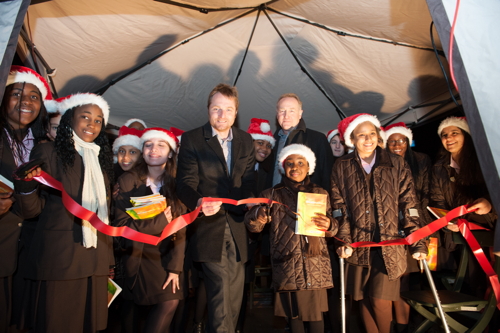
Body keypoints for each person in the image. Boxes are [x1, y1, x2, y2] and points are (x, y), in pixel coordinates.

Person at [14, 92, 114, 332]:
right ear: (70, 119)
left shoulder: (101, 160)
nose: (92, 124)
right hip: (60, 259)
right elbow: (32, 211)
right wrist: (26, 187)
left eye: (98, 120)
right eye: (86, 117)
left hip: (95, 261)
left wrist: (109, 262)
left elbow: (104, 214)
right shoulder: (48, 152)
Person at [331, 113, 427, 333]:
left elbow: (409, 204)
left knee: (379, 298)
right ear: (352, 139)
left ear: (378, 136)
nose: (368, 139)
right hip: (358, 244)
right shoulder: (341, 165)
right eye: (361, 135)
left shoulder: (396, 163)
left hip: (390, 244)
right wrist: (343, 240)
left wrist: (417, 242)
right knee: (363, 298)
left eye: (372, 134)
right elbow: (339, 208)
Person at [176, 83, 255, 333]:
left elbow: (249, 180)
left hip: (239, 226)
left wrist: (252, 198)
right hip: (209, 226)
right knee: (220, 290)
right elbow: (184, 183)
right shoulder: (192, 139)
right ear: (208, 110)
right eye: (216, 109)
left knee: (234, 294)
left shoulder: (246, 140)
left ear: (236, 112)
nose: (222, 115)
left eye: (228, 110)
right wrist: (199, 202)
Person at [245, 144, 337, 333]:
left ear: (309, 167)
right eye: (290, 163)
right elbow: (252, 226)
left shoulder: (320, 193)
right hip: (287, 263)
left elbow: (334, 228)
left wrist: (329, 225)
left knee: (316, 317)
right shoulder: (270, 194)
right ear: (283, 167)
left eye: (300, 163)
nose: (295, 167)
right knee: (294, 318)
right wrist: (258, 215)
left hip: (315, 264)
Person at [113, 127, 186, 333]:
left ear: (171, 152)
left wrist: (175, 269)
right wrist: (158, 222)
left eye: (161, 145)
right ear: (143, 150)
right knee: (135, 315)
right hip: (140, 256)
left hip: (167, 256)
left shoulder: (177, 183)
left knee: (171, 303)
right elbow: (121, 229)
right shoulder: (127, 181)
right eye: (148, 145)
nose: (154, 149)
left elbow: (180, 230)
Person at [0, 65, 51, 331]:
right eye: (17, 93)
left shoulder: (45, 146)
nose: (25, 101)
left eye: (34, 96)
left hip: (32, 249)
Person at [430, 116, 496, 296]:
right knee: (473, 278)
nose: (449, 138)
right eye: (444, 135)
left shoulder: (484, 160)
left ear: (466, 135)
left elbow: (496, 187)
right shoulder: (439, 167)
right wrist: (445, 219)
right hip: (459, 230)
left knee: (491, 274)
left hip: (487, 226)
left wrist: (489, 203)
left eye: (454, 133)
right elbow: (437, 199)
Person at [384, 122, 432, 333]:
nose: (396, 144)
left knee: (415, 281)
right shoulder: (383, 164)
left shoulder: (421, 161)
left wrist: (425, 230)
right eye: (392, 141)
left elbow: (428, 196)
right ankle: (400, 325)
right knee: (398, 281)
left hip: (417, 226)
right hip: (392, 229)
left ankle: (416, 324)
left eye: (401, 140)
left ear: (407, 142)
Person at [267, 93, 333, 192]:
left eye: (292, 111)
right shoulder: (270, 142)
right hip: (273, 201)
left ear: (300, 114)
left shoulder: (317, 139)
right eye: (282, 111)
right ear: (277, 114)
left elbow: (328, 176)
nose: (286, 116)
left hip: (306, 203)